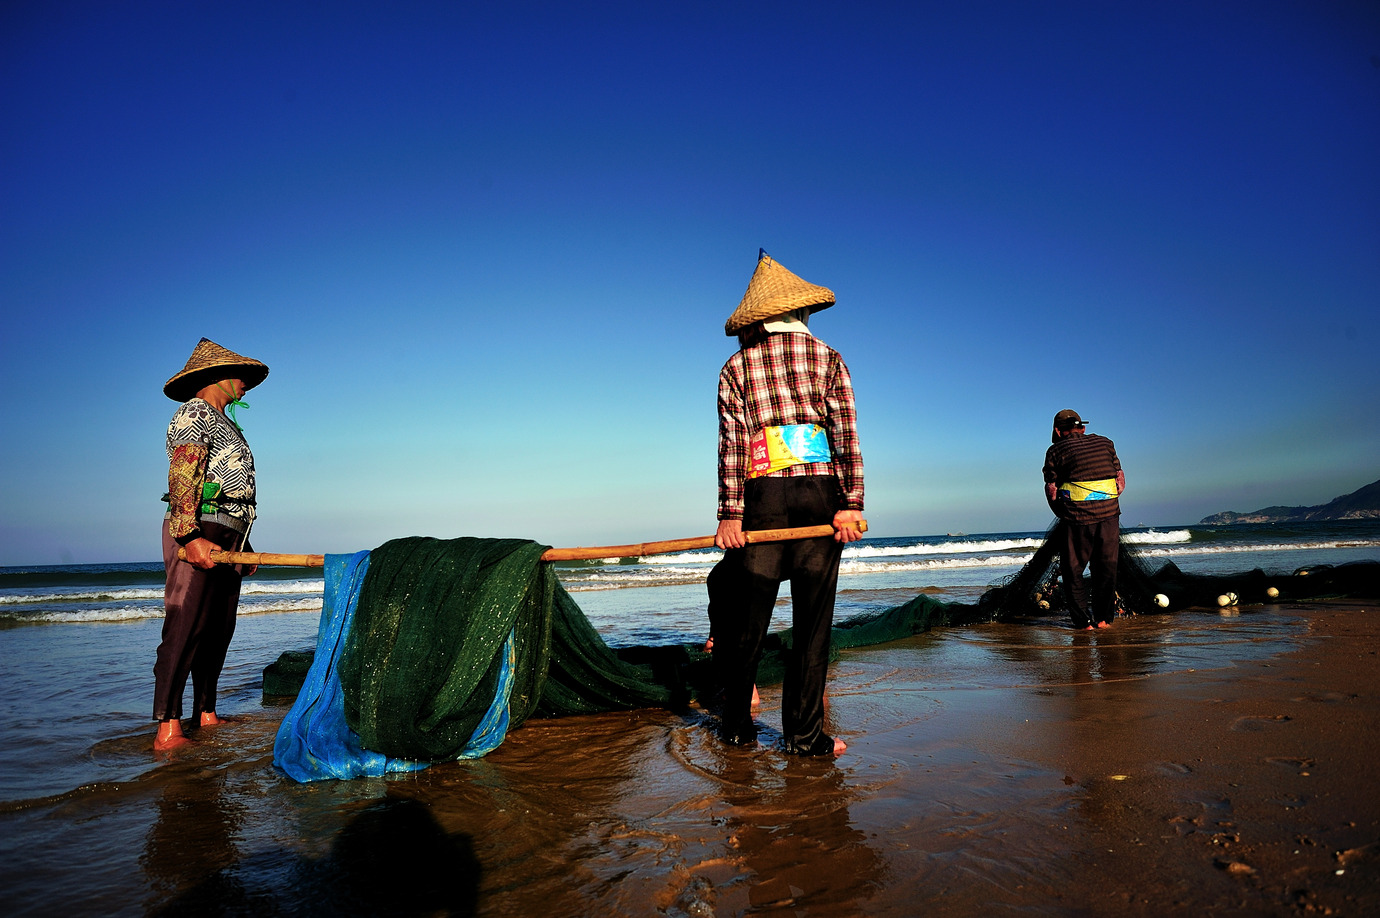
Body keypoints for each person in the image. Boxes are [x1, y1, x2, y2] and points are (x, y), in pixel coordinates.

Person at [706, 251, 864, 756]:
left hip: (761, 501)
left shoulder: (734, 367)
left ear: (755, 322)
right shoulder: (830, 358)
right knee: (812, 625)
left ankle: (736, 728)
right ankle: (804, 735)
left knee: (747, 624)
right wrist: (851, 503)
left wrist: (731, 513)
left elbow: (732, 444)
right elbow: (845, 436)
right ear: (800, 314)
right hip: (821, 497)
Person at [153, 338, 269, 750]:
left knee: (219, 628)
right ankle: (168, 726)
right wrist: (189, 536)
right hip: (199, 528)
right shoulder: (195, 411)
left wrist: (246, 541)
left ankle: (206, 711)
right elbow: (183, 474)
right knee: (186, 625)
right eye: (241, 376)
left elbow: (233, 486)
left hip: (230, 533)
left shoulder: (228, 423)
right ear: (217, 376)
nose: (246, 385)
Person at [1042, 409, 1125, 630]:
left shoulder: (1055, 451)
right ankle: (1104, 620)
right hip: (1109, 517)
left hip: (1076, 520)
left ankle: (1083, 623)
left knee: (1073, 571)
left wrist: (1062, 512)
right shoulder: (1106, 443)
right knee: (1106, 568)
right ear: (1083, 428)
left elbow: (1051, 490)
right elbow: (1120, 482)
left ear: (1058, 431)